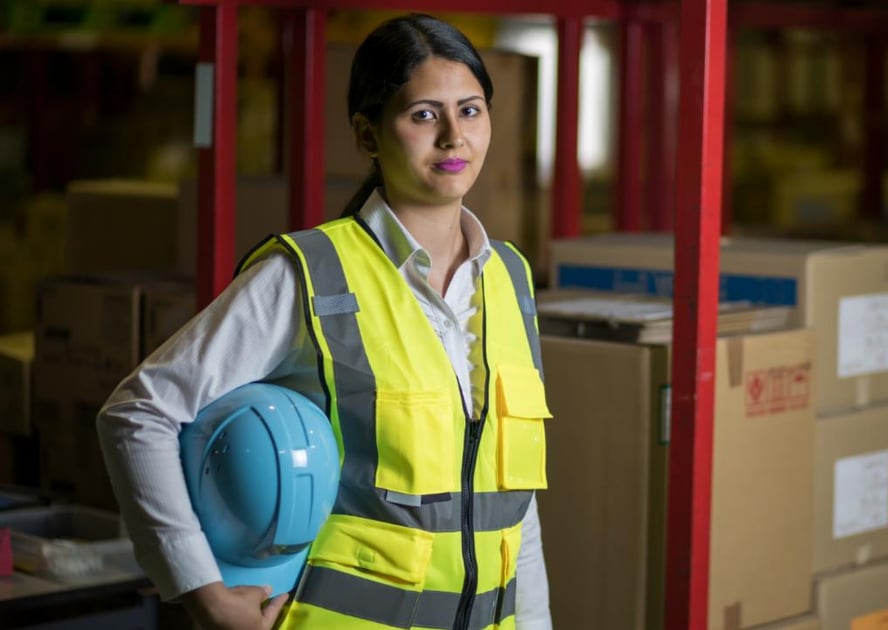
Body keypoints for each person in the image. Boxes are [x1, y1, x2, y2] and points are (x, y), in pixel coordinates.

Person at [98, 13, 553, 630]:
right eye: (423, 114)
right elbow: (139, 413)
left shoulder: (512, 281)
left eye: (470, 110)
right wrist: (198, 589)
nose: (453, 137)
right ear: (367, 134)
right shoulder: (309, 275)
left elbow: (512, 511)